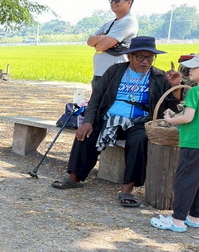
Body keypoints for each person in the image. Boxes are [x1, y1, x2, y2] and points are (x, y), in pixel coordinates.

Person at [52, 36, 182, 207]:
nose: (145, 61)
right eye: (140, 57)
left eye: (150, 57)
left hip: (138, 122)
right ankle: (74, 177)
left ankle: (127, 189)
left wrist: (175, 87)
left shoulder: (158, 76)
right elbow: (96, 97)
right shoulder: (115, 71)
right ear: (129, 56)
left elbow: (171, 108)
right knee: (86, 133)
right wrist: (88, 121)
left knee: (140, 140)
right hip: (108, 118)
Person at [151, 55, 199, 232]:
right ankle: (194, 217)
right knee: (196, 181)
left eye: (194, 68)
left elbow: (187, 118)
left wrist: (170, 119)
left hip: (192, 142)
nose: (189, 71)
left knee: (184, 180)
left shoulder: (194, 91)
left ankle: (177, 220)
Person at [87, 0, 138, 89]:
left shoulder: (128, 21)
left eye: (117, 0)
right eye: (112, 0)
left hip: (115, 75)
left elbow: (101, 46)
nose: (113, 3)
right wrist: (103, 38)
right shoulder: (109, 23)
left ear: (128, 2)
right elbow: (89, 41)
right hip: (100, 73)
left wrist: (100, 39)